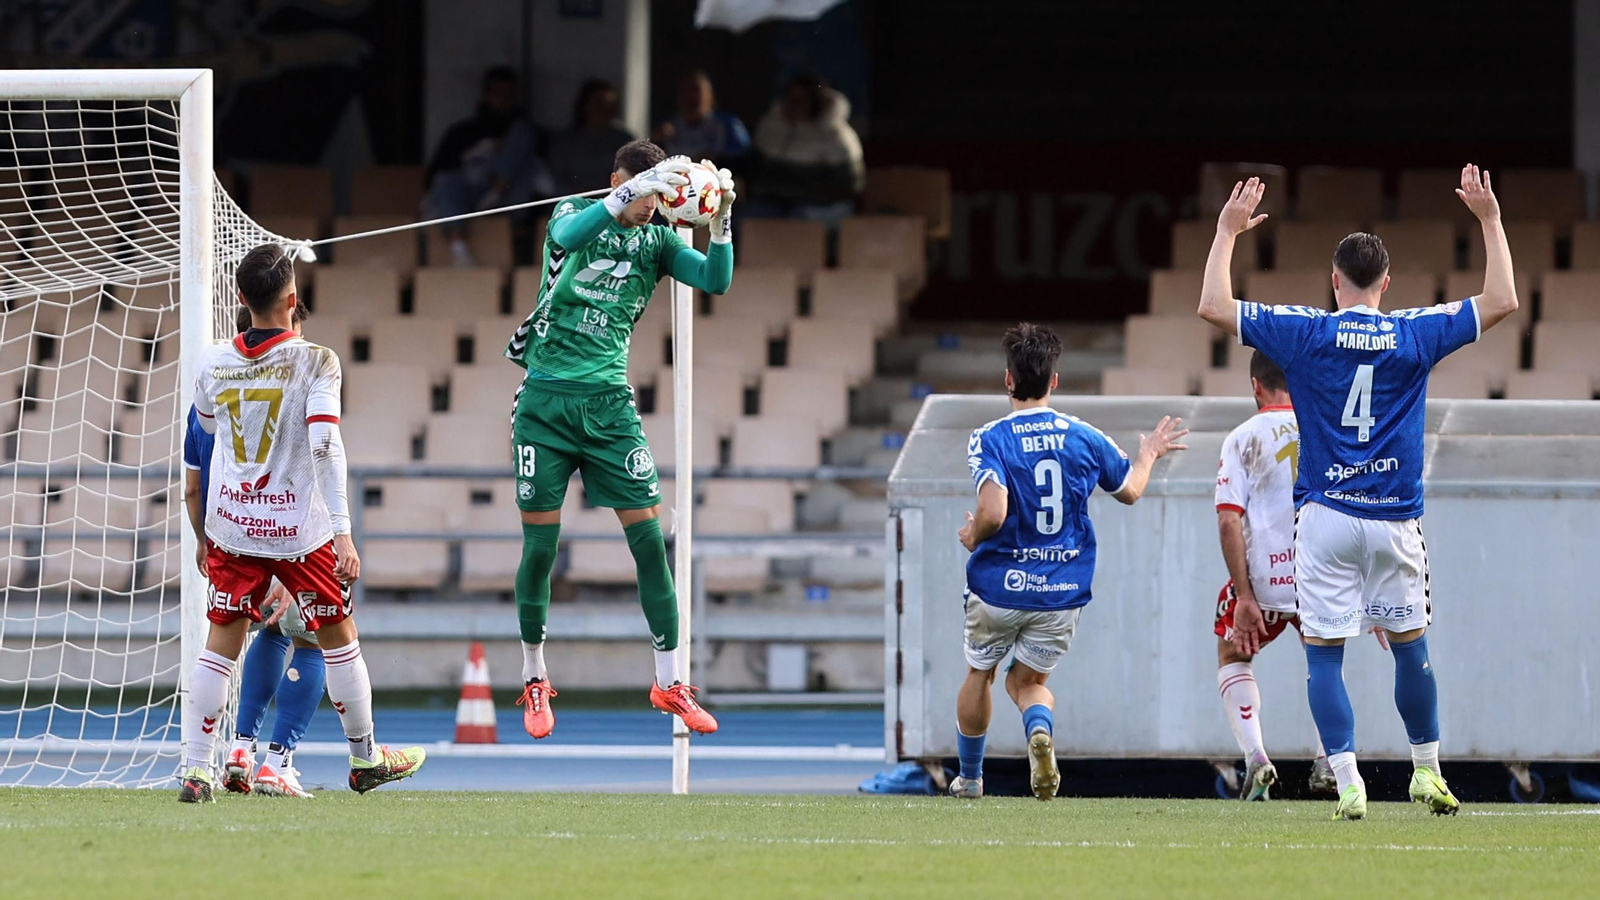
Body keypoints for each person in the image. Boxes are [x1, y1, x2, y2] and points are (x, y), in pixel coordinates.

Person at [1197, 166, 1519, 819]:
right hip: (1395, 518)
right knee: (1411, 647)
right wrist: (1488, 219)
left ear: (1335, 282)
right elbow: (1502, 299)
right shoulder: (1413, 332)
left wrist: (1229, 232)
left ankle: (1347, 780)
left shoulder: (1307, 333)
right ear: (1387, 285)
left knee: (1324, 655)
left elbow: (1213, 306)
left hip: (1325, 520)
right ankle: (1426, 771)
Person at [502, 140, 735, 740]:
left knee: (650, 543)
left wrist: (724, 220)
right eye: (645, 194)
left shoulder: (658, 241)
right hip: (546, 402)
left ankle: (668, 680)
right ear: (619, 181)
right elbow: (574, 237)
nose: (652, 208)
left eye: (660, 198)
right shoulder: (571, 213)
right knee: (540, 550)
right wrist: (632, 191)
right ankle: (533, 675)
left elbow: (715, 279)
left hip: (609, 408)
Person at [179, 244, 427, 803]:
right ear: (294, 299)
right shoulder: (318, 360)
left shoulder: (211, 360)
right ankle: (365, 756)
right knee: (336, 639)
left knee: (220, 646)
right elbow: (325, 442)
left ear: (240, 299)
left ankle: (198, 769)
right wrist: (342, 528)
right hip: (298, 528)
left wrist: (207, 529)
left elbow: (207, 433)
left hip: (234, 525)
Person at [951, 324, 1188, 800]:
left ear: (1008, 380)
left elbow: (993, 512)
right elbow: (1130, 491)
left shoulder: (990, 438)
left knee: (982, 673)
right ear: (1054, 381)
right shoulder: (1084, 436)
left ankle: (972, 779)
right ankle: (1039, 730)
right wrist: (1149, 453)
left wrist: (972, 534)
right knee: (1029, 682)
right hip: (1061, 589)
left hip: (998, 586)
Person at [184, 303, 326, 799]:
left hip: (227, 537)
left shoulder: (214, 389)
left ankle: (233, 752)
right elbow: (310, 466)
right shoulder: (295, 385)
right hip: (284, 537)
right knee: (311, 638)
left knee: (239, 640)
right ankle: (277, 761)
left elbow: (191, 486)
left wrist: (205, 543)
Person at [1212, 350, 1339, 801]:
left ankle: (1257, 758)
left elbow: (1229, 519)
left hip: (1263, 581)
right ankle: (1329, 759)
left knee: (1232, 654)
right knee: (1325, 661)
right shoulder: (1327, 431)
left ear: (1255, 386)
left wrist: (1244, 595)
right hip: (1319, 578)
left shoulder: (1243, 438)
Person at [425, 67, 554, 267]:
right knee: (446, 181)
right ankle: (459, 249)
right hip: (473, 201)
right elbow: (433, 177)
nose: (503, 100)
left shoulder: (530, 130)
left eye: (509, 94)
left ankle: (496, 191)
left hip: (513, 198)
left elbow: (545, 171)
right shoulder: (462, 132)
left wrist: (507, 150)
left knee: (523, 134)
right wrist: (483, 148)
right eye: (498, 93)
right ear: (486, 95)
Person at [747, 74, 863, 225]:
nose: (794, 105)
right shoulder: (770, 128)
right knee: (743, 218)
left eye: (802, 100)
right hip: (775, 204)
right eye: (790, 98)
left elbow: (848, 186)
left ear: (816, 102)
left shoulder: (836, 136)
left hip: (822, 206)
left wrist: (799, 190)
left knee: (798, 219)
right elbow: (755, 174)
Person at [548, 79, 636, 195]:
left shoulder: (623, 141)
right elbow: (555, 181)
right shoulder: (565, 142)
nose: (604, 109)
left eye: (610, 104)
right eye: (599, 102)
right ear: (585, 104)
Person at [656, 70, 750, 164]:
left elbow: (747, 158)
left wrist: (718, 159)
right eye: (685, 90)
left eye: (696, 89)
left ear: (710, 95)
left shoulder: (728, 125)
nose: (691, 96)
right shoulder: (668, 129)